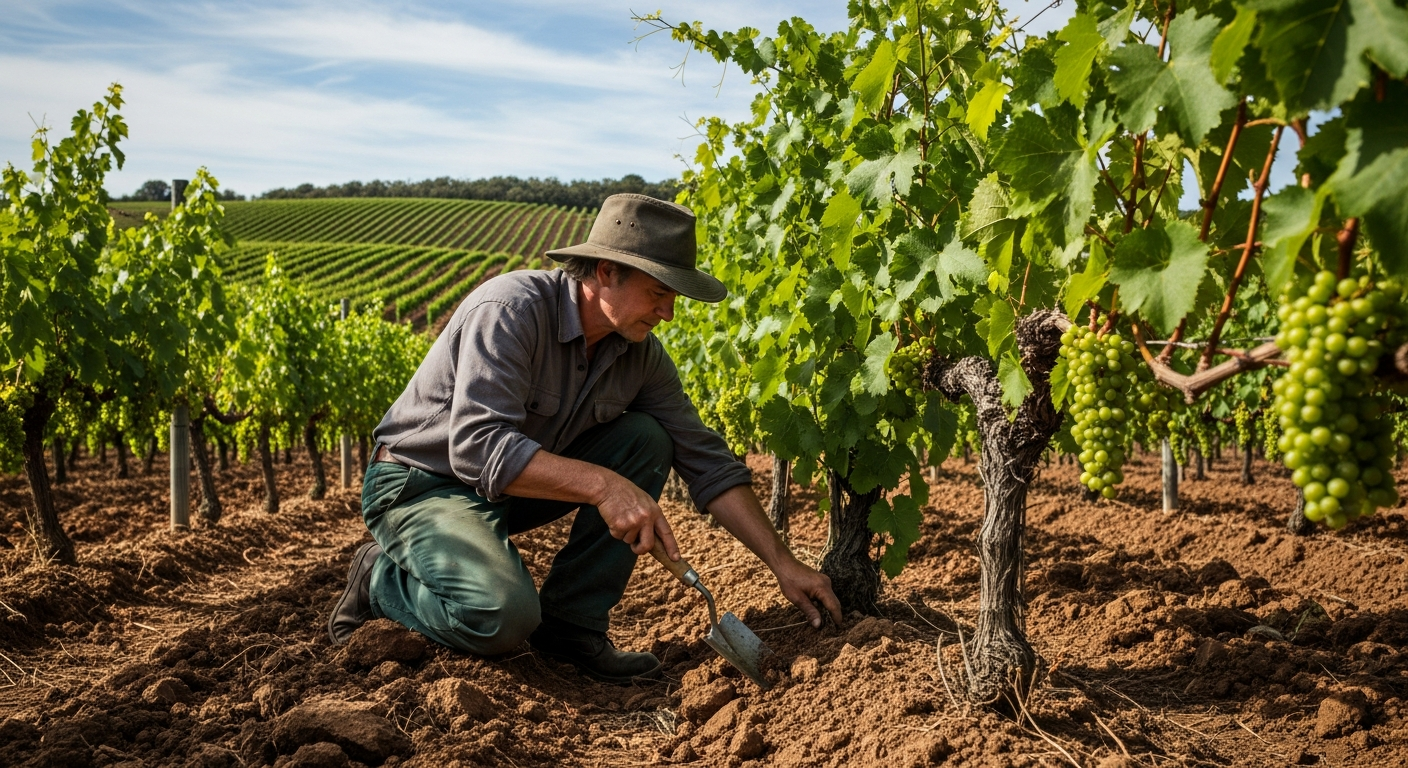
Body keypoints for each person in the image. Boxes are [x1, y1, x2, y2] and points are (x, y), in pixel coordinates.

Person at [327, 193, 842, 683]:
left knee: (646, 438)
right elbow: (476, 446)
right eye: (658, 292)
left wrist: (783, 563)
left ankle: (570, 628)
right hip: (421, 485)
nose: (668, 312)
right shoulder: (511, 310)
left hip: (506, 492)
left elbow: (704, 459)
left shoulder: (640, 356)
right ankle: (379, 581)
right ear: (605, 272)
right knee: (500, 616)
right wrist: (604, 487)